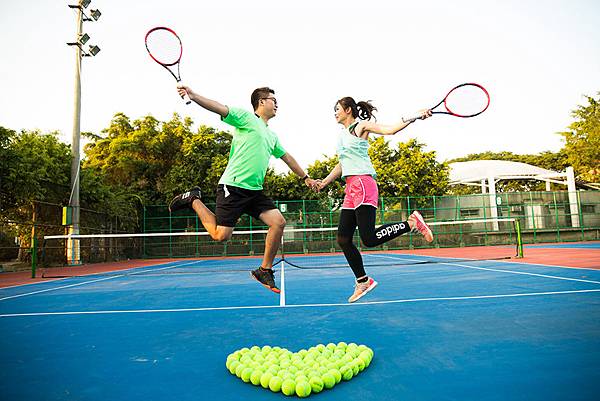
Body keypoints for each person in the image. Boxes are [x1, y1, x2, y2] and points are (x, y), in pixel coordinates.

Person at [169, 85, 318, 294]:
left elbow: (287, 157)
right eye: (273, 100)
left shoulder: (271, 135)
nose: (276, 104)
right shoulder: (246, 118)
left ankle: (264, 270)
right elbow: (219, 107)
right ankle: (193, 199)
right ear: (261, 102)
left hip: (254, 191)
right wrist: (192, 96)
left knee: (278, 222)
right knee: (221, 236)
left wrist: (306, 178)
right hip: (233, 186)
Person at [315, 97, 434, 303]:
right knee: (343, 239)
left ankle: (412, 223)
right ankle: (363, 281)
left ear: (348, 110)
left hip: (363, 184)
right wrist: (324, 182)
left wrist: (415, 116)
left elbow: (390, 130)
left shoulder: (360, 126)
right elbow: (343, 163)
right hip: (351, 188)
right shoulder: (342, 135)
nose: (334, 113)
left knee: (369, 238)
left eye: (337, 109)